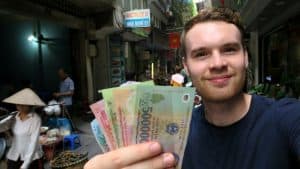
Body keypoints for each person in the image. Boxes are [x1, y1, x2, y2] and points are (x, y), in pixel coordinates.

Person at [84, 7, 300, 169]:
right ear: (186, 66)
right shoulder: (170, 135)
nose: (217, 63)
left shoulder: (286, 118)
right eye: (201, 54)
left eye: (229, 49)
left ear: (245, 56)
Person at [0, 88, 46, 169]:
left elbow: (33, 143)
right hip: (15, 154)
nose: (20, 105)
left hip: (32, 157)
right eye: (18, 103)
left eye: (23, 104)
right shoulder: (14, 116)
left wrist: (25, 165)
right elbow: (2, 127)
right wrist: (7, 119)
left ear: (30, 105)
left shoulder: (35, 119)